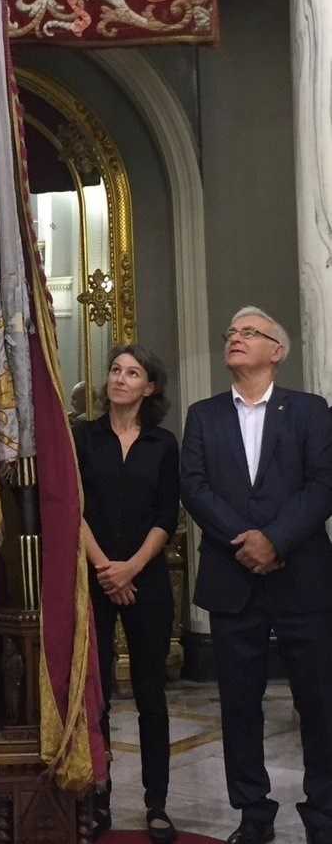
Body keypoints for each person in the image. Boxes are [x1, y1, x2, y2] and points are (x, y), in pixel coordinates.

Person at [181, 305, 332, 844]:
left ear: (277, 350)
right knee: (239, 706)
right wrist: (246, 540)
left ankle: (324, 813)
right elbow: (194, 487)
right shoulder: (203, 415)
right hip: (232, 578)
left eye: (249, 332)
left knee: (318, 700)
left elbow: (322, 485)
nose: (235, 339)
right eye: (231, 331)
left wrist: (277, 540)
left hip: (303, 579)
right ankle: (253, 813)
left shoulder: (312, 412)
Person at [73, 344, 179, 844]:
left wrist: (131, 567)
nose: (119, 378)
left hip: (148, 579)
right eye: (115, 369)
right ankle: (99, 799)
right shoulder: (83, 438)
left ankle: (157, 803)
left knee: (150, 695)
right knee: (95, 698)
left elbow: (167, 516)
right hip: (93, 579)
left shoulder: (163, 443)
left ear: (149, 387)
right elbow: (71, 508)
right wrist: (104, 569)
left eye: (132, 372)